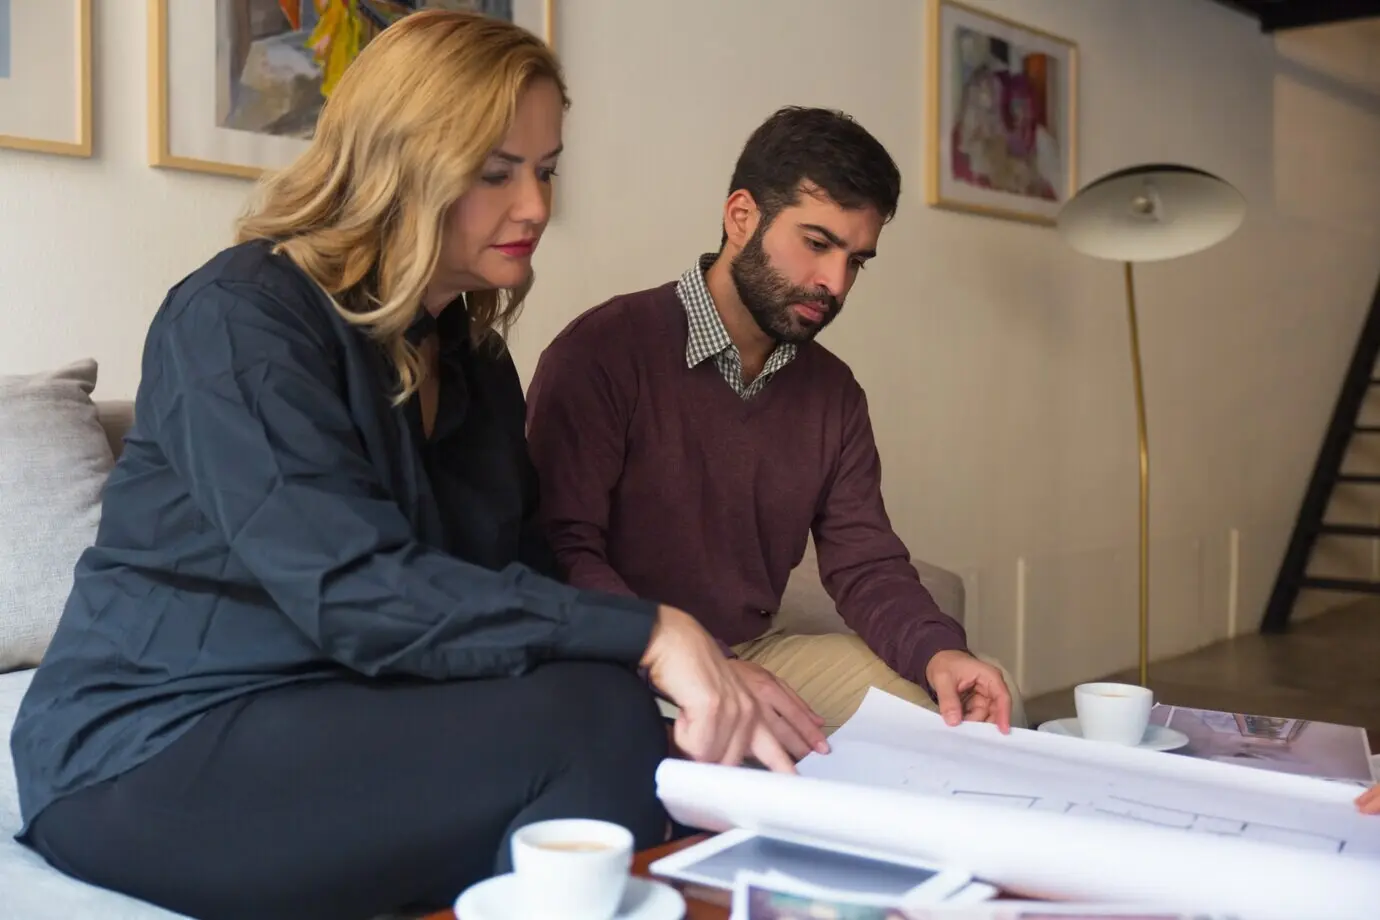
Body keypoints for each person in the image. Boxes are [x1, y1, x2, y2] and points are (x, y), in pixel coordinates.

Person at [7, 12, 789, 920]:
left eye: (546, 170)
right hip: (146, 745)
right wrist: (653, 633)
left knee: (621, 717)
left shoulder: (473, 358)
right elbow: (352, 590)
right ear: (398, 161)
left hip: (335, 707)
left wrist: (696, 672)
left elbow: (518, 577)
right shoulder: (238, 321)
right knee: (588, 724)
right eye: (496, 171)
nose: (535, 206)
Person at [525, 105, 1026, 764]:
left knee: (974, 707)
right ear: (741, 217)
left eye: (857, 260)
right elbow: (558, 548)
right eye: (817, 244)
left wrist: (940, 650)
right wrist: (688, 659)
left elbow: (864, 560)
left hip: (751, 653)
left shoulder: (833, 394)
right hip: (616, 654)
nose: (835, 284)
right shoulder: (605, 352)